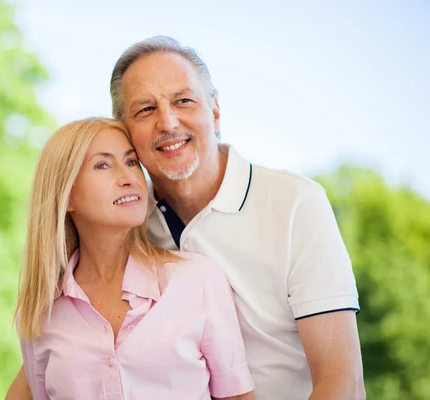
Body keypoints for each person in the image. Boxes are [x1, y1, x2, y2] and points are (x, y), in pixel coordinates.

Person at [107, 36, 366, 400]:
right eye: (145, 110)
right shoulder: (124, 227)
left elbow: (343, 386)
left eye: (184, 100)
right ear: (126, 133)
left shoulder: (296, 203)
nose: (167, 121)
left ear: (214, 112)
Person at [8, 117, 255, 400]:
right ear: (67, 197)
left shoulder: (196, 279)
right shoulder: (42, 313)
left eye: (131, 162)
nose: (128, 178)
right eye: (102, 165)